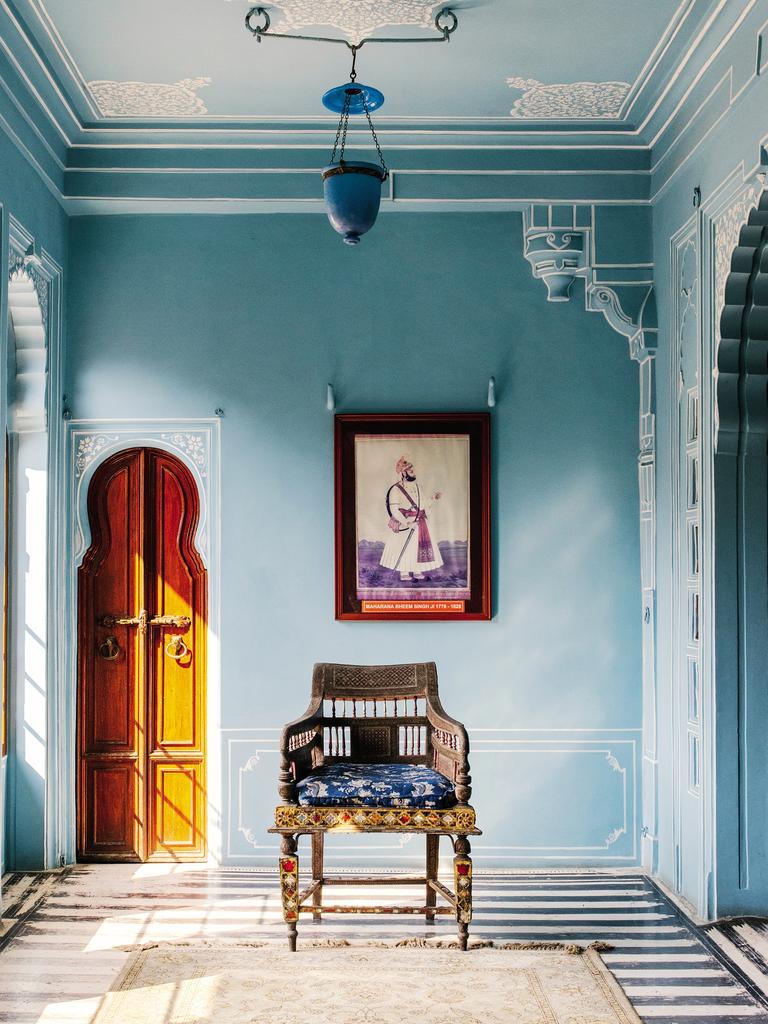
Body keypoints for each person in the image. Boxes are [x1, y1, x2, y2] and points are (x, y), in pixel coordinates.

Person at [380, 455, 443, 581]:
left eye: (413, 470)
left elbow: (422, 505)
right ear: (403, 473)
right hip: (405, 524)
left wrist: (433, 498)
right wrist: (407, 523)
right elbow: (394, 510)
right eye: (410, 470)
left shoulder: (417, 487)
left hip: (419, 522)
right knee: (405, 547)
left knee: (418, 547)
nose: (413, 472)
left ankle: (417, 572)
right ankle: (404, 574)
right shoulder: (395, 490)